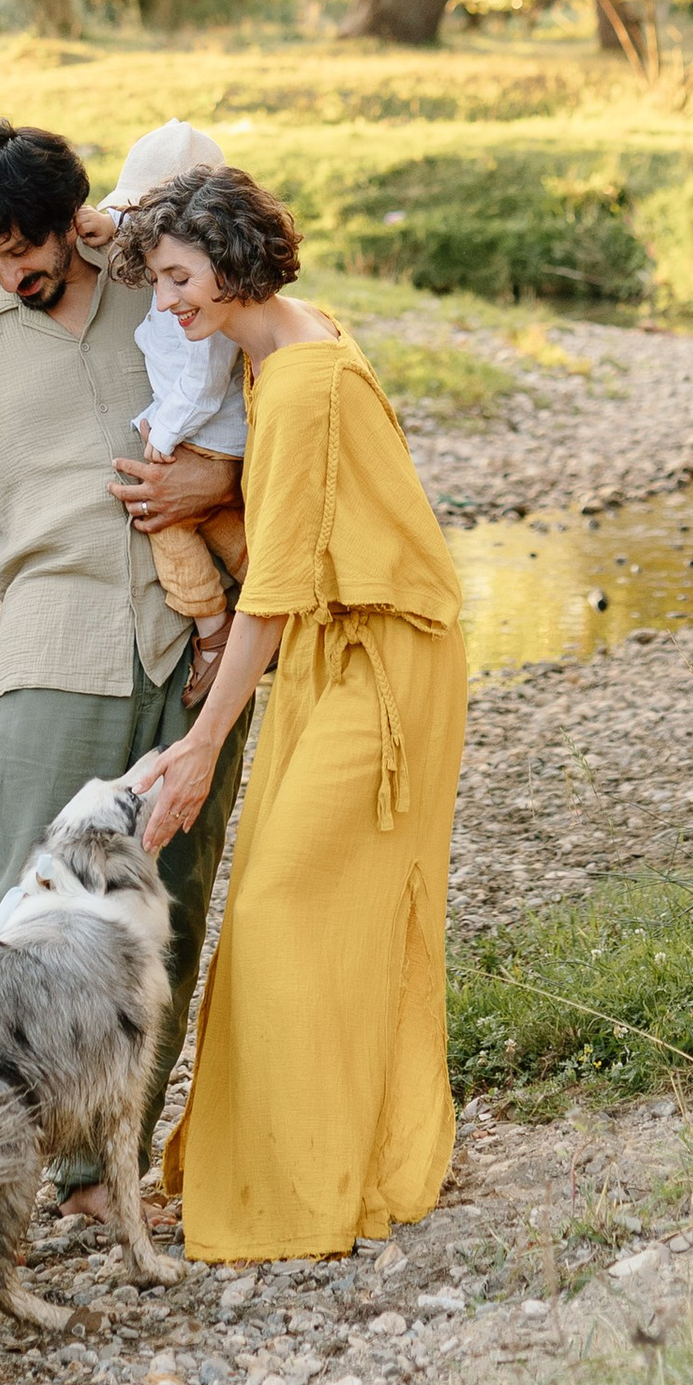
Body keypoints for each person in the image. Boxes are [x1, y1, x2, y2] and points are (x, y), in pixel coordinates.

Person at [125, 166, 467, 1262]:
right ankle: (319, 1149)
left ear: (229, 260)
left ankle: (305, 1181)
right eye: (158, 281)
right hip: (338, 643)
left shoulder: (307, 379)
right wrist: (116, 229)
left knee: (284, 905)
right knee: (315, 900)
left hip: (378, 649)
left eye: (178, 278)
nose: (168, 303)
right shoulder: (269, 342)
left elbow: (270, 588)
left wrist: (200, 743)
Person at [0, 119, 246, 1201]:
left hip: (200, 649)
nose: (10, 274)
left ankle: (108, 1167)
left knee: (163, 915)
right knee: (19, 914)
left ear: (69, 217)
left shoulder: (157, 273)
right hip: (56, 647)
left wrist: (216, 491)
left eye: (22, 250)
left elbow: (255, 405)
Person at [79, 117, 251, 697]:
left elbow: (203, 385)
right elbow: (139, 224)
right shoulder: (172, 263)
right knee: (225, 524)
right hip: (196, 425)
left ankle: (213, 628)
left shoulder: (206, 311)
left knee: (167, 521)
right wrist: (108, 223)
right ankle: (271, 601)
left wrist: (164, 435)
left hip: (205, 431)